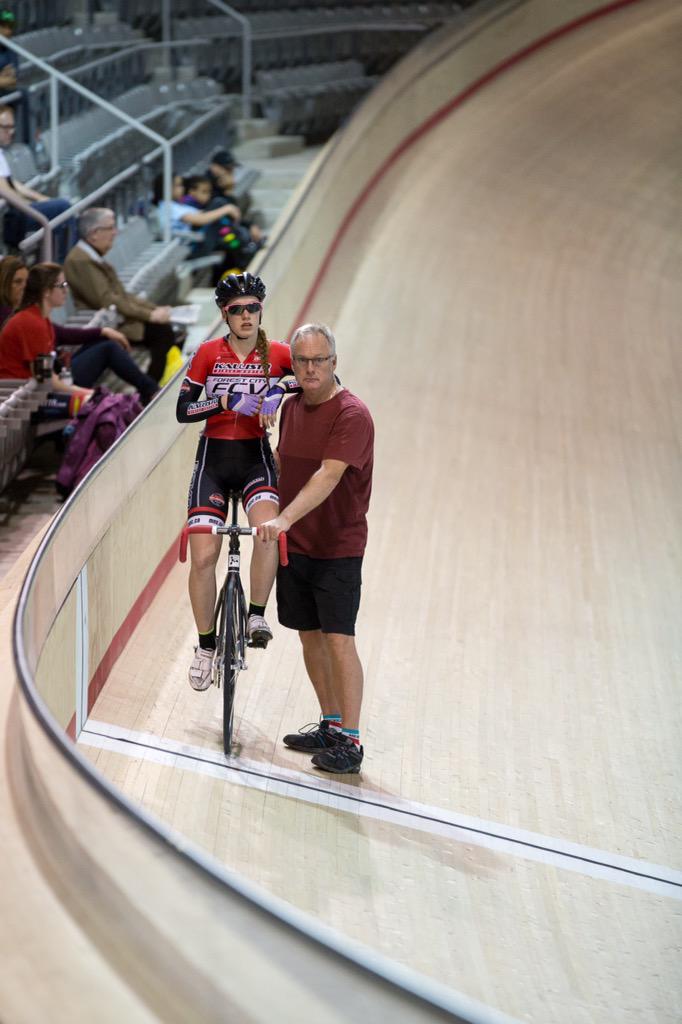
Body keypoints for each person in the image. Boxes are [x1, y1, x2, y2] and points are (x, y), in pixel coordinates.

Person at [257, 323, 374, 775]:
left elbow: (328, 475)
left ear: (334, 363)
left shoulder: (352, 415)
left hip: (337, 548)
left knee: (339, 639)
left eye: (318, 360)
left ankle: (352, 739)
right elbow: (283, 463)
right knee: (309, 634)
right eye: (301, 360)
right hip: (298, 546)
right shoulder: (289, 408)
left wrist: (285, 518)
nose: (309, 368)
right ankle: (330, 723)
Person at [176, 271, 297, 691]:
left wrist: (281, 387)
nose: (246, 315)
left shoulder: (279, 353)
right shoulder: (208, 353)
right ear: (224, 315)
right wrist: (224, 399)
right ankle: (206, 646)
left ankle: (256, 614)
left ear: (261, 309)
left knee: (268, 529)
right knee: (204, 557)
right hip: (213, 459)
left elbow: (323, 379)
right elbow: (183, 411)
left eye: (253, 308)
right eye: (236, 310)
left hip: (254, 460)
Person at [0, 260, 159, 405]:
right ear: (46, 291)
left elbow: (47, 376)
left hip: (36, 391)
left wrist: (90, 395)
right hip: (23, 403)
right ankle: (151, 392)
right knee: (106, 405)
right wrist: (90, 396)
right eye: (61, 286)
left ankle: (150, 392)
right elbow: (45, 380)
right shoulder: (29, 322)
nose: (66, 291)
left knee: (106, 399)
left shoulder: (38, 318)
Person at [64, 207, 176, 383]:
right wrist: (149, 315)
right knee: (162, 333)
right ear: (94, 233)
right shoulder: (81, 260)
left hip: (114, 317)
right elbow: (106, 299)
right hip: (106, 323)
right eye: (110, 228)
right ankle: (149, 390)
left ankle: (150, 386)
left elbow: (122, 295)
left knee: (164, 329)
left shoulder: (91, 255)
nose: (115, 232)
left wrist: (154, 309)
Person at [0, 105, 73, 260]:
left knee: (62, 208)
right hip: (10, 219)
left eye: (12, 127)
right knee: (63, 208)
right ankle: (59, 270)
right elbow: (5, 191)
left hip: (17, 212)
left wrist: (42, 199)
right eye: (5, 127)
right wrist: (31, 207)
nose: (11, 132)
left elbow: (13, 183)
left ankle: (59, 268)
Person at [206, 149, 265, 245]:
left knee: (243, 231)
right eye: (227, 169)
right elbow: (217, 209)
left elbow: (234, 213)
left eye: (232, 169)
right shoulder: (205, 185)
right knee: (237, 237)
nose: (231, 172)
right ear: (214, 167)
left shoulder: (220, 185)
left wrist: (250, 226)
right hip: (210, 229)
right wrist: (228, 191)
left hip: (222, 225)